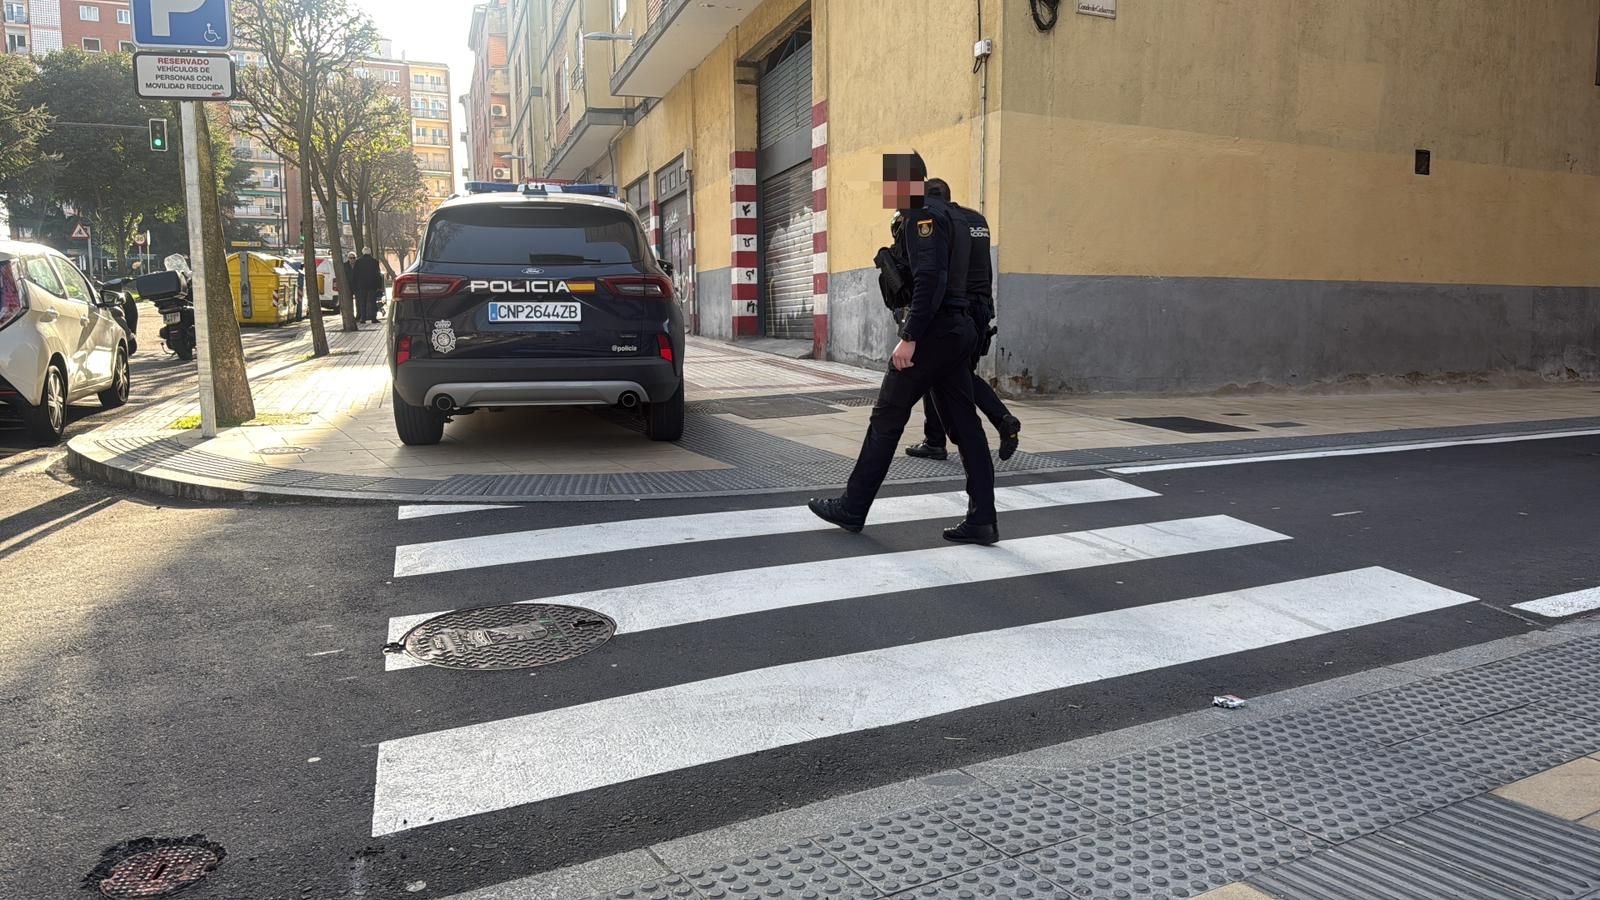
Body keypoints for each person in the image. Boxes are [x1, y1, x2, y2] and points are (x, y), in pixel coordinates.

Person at [809, 152, 999, 545]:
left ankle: (852, 507)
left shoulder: (920, 215)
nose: (887, 191)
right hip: (957, 329)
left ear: (907, 183)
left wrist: (910, 336)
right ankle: (983, 518)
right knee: (966, 425)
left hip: (933, 332)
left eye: (890, 183)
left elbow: (930, 277)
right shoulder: (956, 217)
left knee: (886, 418)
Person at [905, 178, 1022, 462]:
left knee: (946, 373)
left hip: (956, 308)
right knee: (954, 372)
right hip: (981, 309)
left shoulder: (941, 220)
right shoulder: (976, 219)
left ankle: (957, 435)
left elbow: (935, 270)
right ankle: (943, 438)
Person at [353, 250, 384, 324]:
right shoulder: (375, 261)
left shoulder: (358, 261)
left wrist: (355, 285)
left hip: (361, 285)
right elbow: (377, 274)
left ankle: (363, 318)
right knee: (373, 302)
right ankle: (373, 318)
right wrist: (379, 286)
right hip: (372, 285)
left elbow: (355, 274)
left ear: (363, 252)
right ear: (370, 252)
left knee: (362, 302)